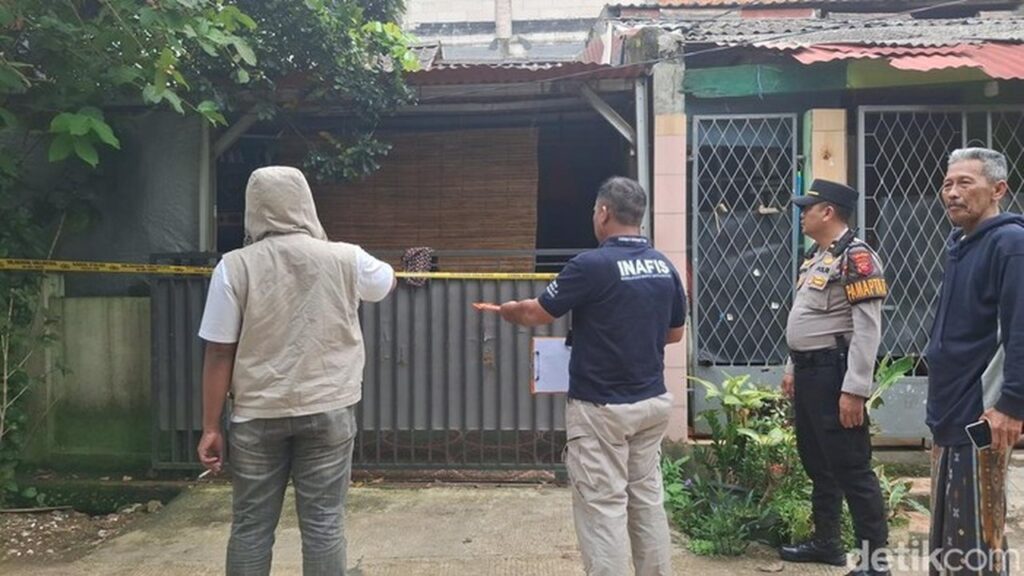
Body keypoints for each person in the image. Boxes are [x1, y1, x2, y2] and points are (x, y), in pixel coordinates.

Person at [195, 166, 395, 576]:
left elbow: (218, 352)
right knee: (324, 525)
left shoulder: (233, 267)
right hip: (328, 408)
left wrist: (211, 427)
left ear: (254, 209)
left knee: (251, 527)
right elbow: (385, 283)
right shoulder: (346, 258)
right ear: (306, 203)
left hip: (256, 413)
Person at [484, 176, 686, 576]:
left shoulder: (591, 265)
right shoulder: (664, 266)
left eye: (595, 210)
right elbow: (675, 334)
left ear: (605, 213)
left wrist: (507, 311)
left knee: (603, 506)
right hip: (651, 402)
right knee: (647, 500)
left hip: (601, 409)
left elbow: (537, 313)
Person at [780, 179, 890, 576]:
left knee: (852, 467)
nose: (801, 215)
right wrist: (792, 368)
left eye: (807, 208)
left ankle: (874, 561)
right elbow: (805, 316)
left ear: (827, 211)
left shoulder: (857, 258)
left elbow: (867, 329)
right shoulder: (818, 256)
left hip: (835, 375)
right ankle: (827, 542)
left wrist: (855, 389)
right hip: (810, 373)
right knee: (817, 462)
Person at [926, 147, 1024, 576]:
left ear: (998, 189)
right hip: (949, 410)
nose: (952, 192)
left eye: (965, 183)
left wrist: (1011, 406)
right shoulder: (962, 244)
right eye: (947, 183)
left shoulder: (1011, 244)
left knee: (979, 536)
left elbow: (1021, 329)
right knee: (951, 538)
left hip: (982, 414)